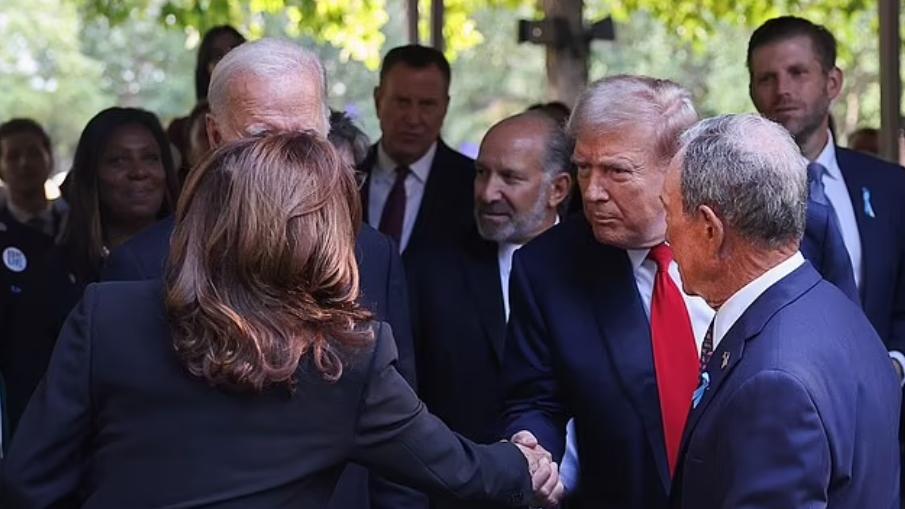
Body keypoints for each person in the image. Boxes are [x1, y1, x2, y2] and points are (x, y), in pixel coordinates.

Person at [0, 132, 565, 509]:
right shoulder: (346, 355)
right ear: (321, 234)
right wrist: (525, 464)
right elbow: (456, 470)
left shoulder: (107, 315)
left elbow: (28, 482)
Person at [100, 38, 422, 509]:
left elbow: (404, 444)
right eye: (261, 136)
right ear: (215, 136)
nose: (283, 159)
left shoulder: (371, 253)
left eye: (304, 138)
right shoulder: (142, 265)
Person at [664, 113, 901, 508]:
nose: (666, 234)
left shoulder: (773, 386)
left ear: (710, 229)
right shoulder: (835, 306)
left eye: (668, 212)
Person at [501, 75, 714, 508]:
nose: (593, 192)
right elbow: (536, 400)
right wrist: (532, 448)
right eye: (584, 168)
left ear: (678, 166)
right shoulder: (547, 268)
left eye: (616, 171)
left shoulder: (736, 239)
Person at [407, 112, 571, 509]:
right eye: (481, 173)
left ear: (558, 189)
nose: (487, 192)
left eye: (509, 178)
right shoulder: (430, 269)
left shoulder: (597, 264)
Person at [2, 107, 179, 437]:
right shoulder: (53, 276)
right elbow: (33, 398)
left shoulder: (200, 264)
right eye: (118, 161)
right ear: (91, 175)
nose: (139, 172)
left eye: (151, 158)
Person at [747, 16, 905, 375]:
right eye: (767, 78)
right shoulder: (734, 194)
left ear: (833, 82)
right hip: (776, 391)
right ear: (752, 90)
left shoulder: (892, 186)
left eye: (797, 72)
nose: (782, 89)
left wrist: (895, 364)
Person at [358, 45, 474, 263]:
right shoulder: (345, 176)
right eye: (402, 102)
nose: (413, 119)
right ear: (378, 100)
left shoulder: (474, 187)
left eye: (427, 105)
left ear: (445, 107)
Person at [168, 25, 246, 165]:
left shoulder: (271, 120)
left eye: (234, 51)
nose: (227, 60)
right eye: (218, 56)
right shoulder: (179, 131)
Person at [0, 118, 67, 239]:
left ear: (50, 159)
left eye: (34, 153)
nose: (25, 163)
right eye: (13, 156)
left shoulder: (74, 224)